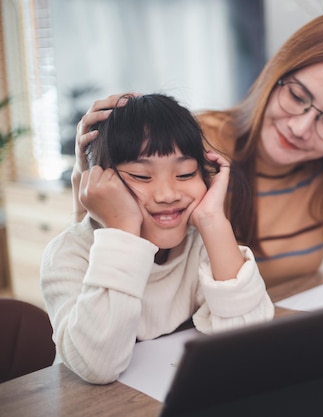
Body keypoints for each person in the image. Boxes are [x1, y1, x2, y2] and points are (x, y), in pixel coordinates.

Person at [71, 12, 323, 369]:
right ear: (275, 74)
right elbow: (102, 246)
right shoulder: (196, 147)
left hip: (253, 334)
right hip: (167, 350)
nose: (302, 127)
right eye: (297, 96)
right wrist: (90, 168)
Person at [42, 94, 274, 384]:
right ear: (96, 186)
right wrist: (123, 228)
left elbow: (250, 339)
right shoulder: (68, 255)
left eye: (186, 172)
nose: (167, 195)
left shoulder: (198, 244)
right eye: (141, 175)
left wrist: (213, 220)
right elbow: (97, 366)